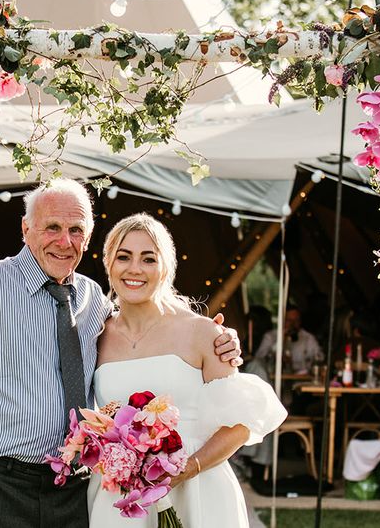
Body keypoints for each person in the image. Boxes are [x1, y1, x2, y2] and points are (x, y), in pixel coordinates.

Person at [0, 180, 242, 528]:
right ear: (25, 229)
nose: (64, 241)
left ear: (89, 237)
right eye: (51, 227)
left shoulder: (92, 299)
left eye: (76, 230)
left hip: (72, 489)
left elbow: (150, 330)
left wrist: (217, 337)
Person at [87, 213, 286, 527]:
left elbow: (240, 425)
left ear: (166, 267)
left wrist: (188, 468)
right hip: (123, 495)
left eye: (148, 259)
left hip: (198, 487)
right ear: (108, 262)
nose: (134, 268)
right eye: (124, 256)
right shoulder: (94, 334)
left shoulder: (203, 333)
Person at [254, 305, 322, 374]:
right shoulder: (270, 336)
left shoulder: (308, 338)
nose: (293, 324)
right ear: (283, 320)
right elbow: (259, 357)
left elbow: (319, 358)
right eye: (289, 320)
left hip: (300, 378)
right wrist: (281, 339)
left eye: (296, 320)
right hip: (274, 379)